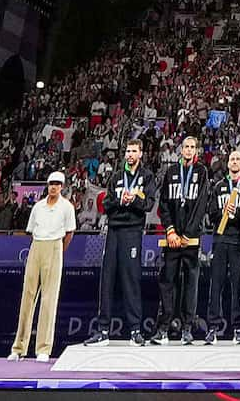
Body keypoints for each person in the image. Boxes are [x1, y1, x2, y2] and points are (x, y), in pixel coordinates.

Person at [9, 173, 76, 359]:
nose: (53, 187)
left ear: (62, 186)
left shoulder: (67, 207)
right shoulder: (38, 207)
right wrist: (40, 245)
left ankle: (43, 348)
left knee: (49, 299)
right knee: (27, 296)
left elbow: (70, 232)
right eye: (51, 184)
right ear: (47, 185)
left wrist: (59, 250)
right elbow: (31, 231)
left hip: (55, 245)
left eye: (57, 184)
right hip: (37, 245)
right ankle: (18, 348)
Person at [96, 139, 150, 342]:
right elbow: (106, 203)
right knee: (107, 279)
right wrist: (121, 200)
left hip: (133, 231)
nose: (130, 154)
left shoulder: (146, 177)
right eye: (128, 151)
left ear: (141, 154)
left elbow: (148, 204)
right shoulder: (117, 176)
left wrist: (133, 200)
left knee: (131, 279)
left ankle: (135, 330)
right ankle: (102, 330)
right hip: (114, 231)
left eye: (134, 151)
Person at [203, 145, 240, 343]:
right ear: (228, 164)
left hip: (238, 240)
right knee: (215, 285)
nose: (235, 162)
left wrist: (235, 212)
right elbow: (211, 213)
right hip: (219, 239)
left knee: (238, 286)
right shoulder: (219, 186)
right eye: (232, 159)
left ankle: (238, 328)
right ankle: (212, 327)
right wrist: (223, 209)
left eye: (238, 159)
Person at [156, 134, 208, 341]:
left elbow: (201, 204)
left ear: (196, 151)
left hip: (191, 239)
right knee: (168, 281)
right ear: (181, 150)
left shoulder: (201, 171)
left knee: (190, 283)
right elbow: (164, 204)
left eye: (192, 147)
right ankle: (164, 327)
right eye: (185, 146)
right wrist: (170, 230)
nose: (188, 150)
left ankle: (187, 326)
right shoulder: (171, 171)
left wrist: (187, 233)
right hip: (172, 239)